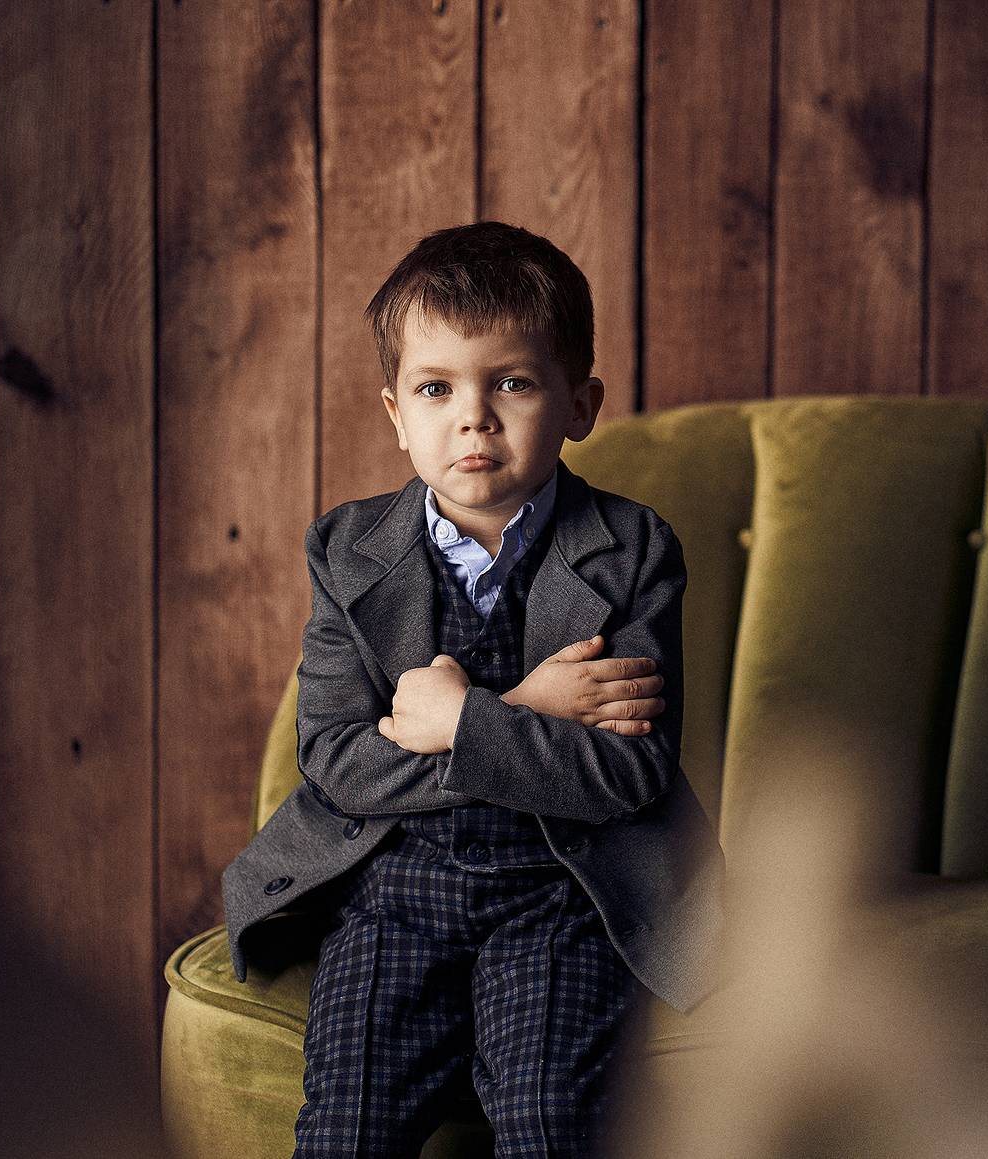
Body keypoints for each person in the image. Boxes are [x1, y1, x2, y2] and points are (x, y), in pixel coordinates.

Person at [220, 220, 725, 1156]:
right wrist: (523, 711)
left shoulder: (633, 549)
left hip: (561, 893)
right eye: (436, 388)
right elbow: (337, 763)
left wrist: (458, 717)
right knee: (345, 1125)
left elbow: (628, 773)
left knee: (548, 1117)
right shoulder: (346, 548)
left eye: (513, 383)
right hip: (393, 892)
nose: (474, 417)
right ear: (395, 413)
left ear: (580, 404)